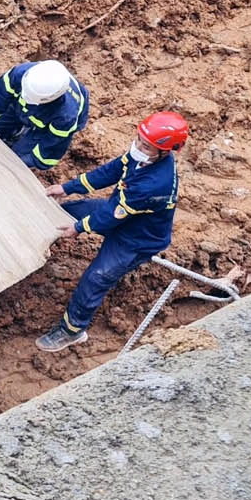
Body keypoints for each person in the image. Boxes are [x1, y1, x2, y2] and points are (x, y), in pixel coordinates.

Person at [37, 111, 188, 352]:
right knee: (70, 210)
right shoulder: (144, 157)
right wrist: (67, 188)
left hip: (136, 238)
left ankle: (73, 330)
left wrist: (79, 228)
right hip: (121, 212)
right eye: (138, 138)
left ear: (165, 151)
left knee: (96, 278)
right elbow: (111, 171)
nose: (138, 146)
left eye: (145, 145)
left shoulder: (154, 184)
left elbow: (111, 216)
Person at [0, 59, 89, 171]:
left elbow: (53, 144)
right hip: (20, 107)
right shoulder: (19, 74)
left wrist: (27, 161)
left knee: (17, 157)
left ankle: (25, 139)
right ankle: (15, 132)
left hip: (46, 126)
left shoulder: (65, 115)